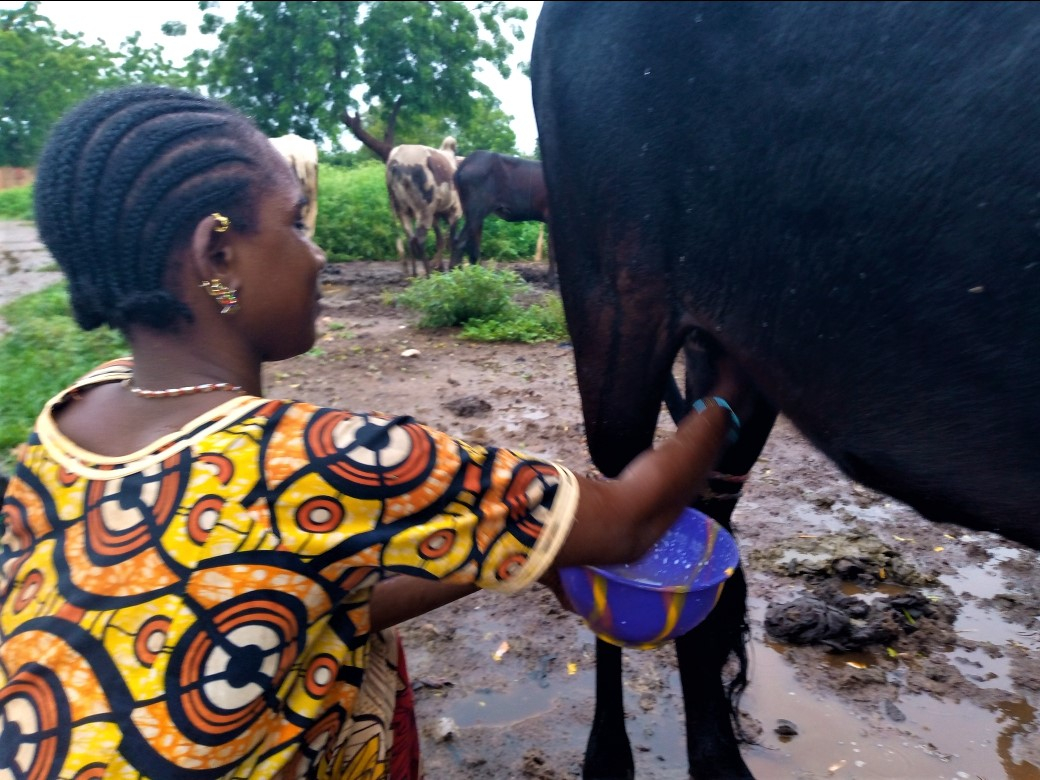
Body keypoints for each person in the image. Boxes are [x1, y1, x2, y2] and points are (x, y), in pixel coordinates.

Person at [0, 85, 751, 779]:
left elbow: (291, 604)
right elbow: (626, 524)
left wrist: (504, 553)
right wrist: (725, 394)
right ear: (217, 253)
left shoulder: (66, 425)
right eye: (296, 224)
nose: (318, 254)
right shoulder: (318, 459)